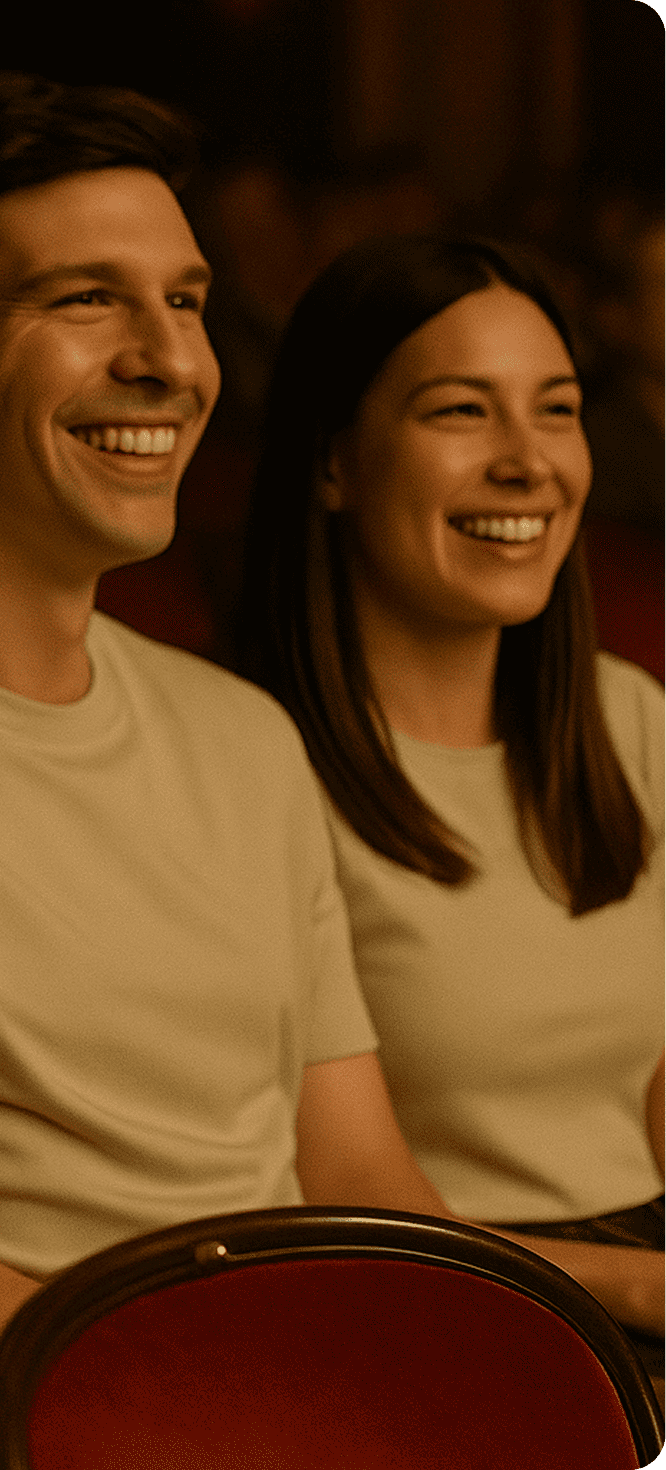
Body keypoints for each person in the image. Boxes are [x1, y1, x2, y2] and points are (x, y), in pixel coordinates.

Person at [0, 70, 455, 1403]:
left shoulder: (240, 734)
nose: (169, 359)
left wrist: (483, 1360)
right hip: (80, 1409)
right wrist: (237, 1406)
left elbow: (358, 1175)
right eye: (85, 299)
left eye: (186, 300)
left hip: (328, 1385)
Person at [236, 232, 666, 1368]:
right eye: (459, 412)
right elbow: (331, 1189)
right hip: (437, 1315)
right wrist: (633, 1287)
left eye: (556, 409)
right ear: (332, 462)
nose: (527, 461)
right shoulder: (246, 760)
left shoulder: (627, 718)